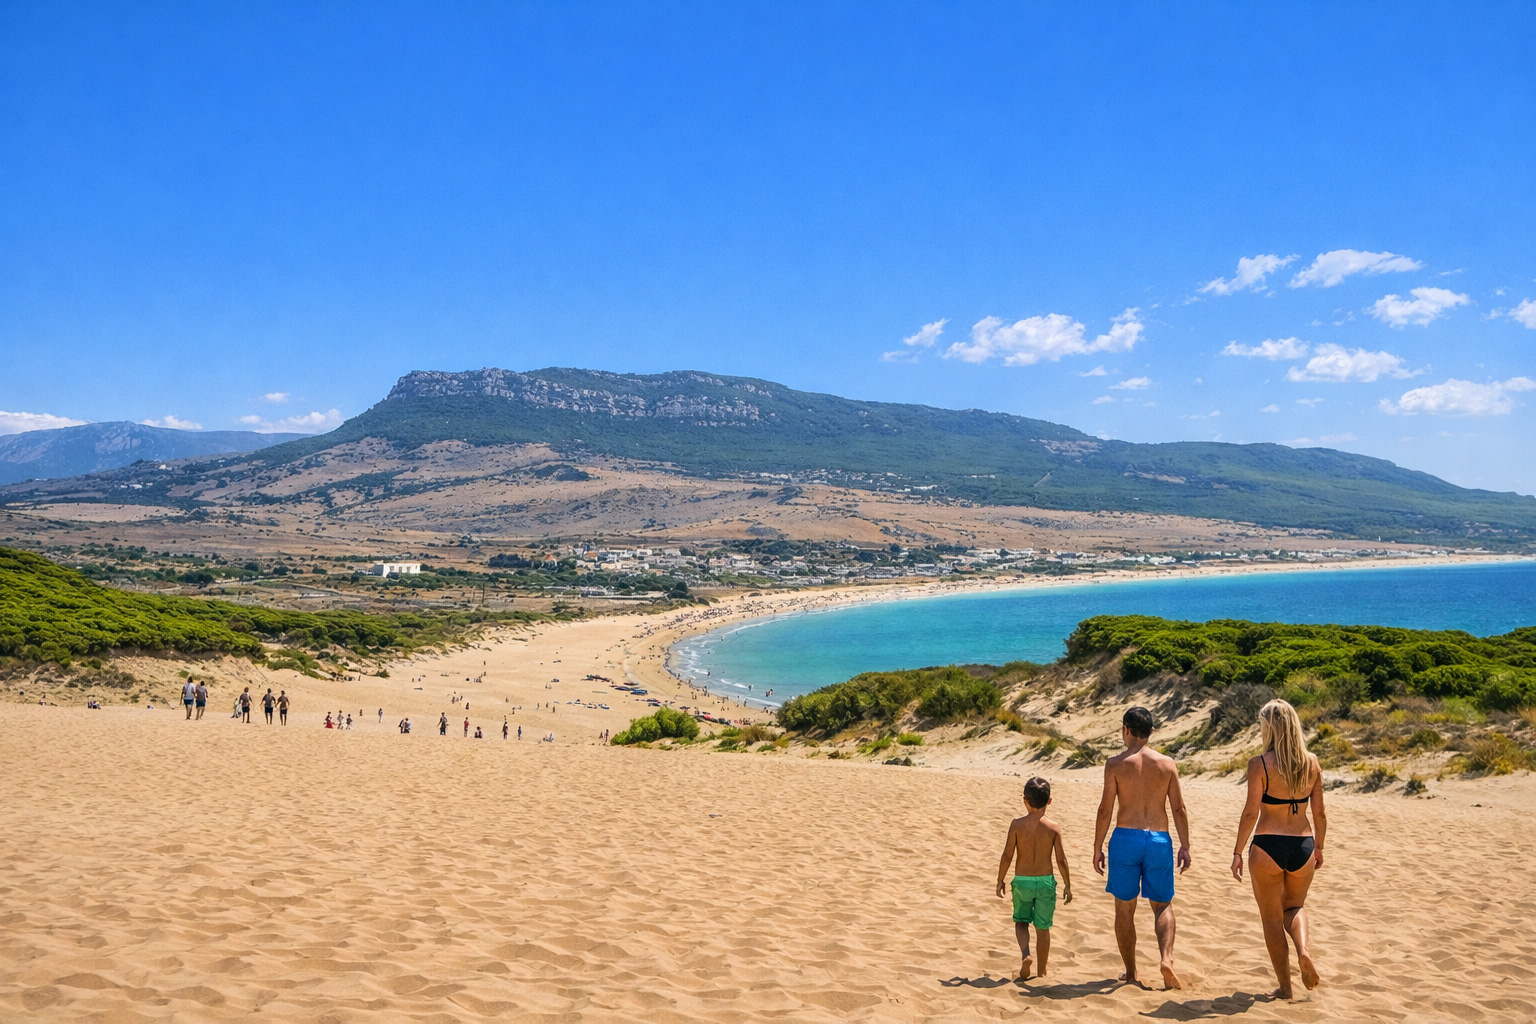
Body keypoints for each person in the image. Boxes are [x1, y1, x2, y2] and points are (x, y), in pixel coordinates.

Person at [1231, 699, 1327, 1000]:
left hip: (1268, 845)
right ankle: (1304, 950)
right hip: (1303, 844)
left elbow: (1250, 813)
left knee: (1271, 919)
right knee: (1294, 908)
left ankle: (1285, 988)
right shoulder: (1312, 763)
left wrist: (1237, 851)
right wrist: (1319, 847)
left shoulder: (1259, 764)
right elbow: (1321, 814)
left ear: (1268, 728)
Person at [1093, 706, 1192, 990]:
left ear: (1126, 730)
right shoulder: (1167, 764)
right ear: (1151, 732)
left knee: (1124, 910)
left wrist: (1098, 846)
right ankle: (1167, 959)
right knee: (1162, 906)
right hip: (1158, 839)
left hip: (1125, 838)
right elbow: (1179, 809)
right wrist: (1185, 845)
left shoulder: (1115, 764)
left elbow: (1105, 810)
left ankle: (1131, 971)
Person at [995, 776, 1073, 980]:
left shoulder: (1017, 825)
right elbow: (1061, 859)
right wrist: (1067, 884)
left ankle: (1025, 954)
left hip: (1022, 880)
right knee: (1043, 927)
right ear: (1049, 801)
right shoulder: (1054, 828)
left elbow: (1007, 855)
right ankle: (1042, 971)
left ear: (1025, 800)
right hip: (1046, 881)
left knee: (1021, 920)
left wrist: (1000, 879)